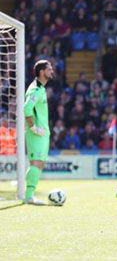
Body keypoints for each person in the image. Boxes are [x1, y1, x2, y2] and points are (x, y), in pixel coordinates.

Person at [24, 60, 54, 205]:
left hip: (43, 134)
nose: (52, 71)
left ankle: (30, 194)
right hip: (36, 133)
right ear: (42, 71)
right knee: (36, 163)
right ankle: (29, 196)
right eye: (49, 69)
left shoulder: (41, 88)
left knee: (39, 164)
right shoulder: (35, 89)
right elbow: (27, 108)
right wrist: (33, 128)